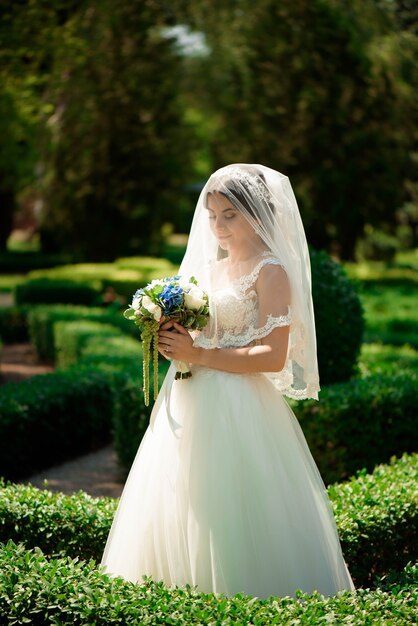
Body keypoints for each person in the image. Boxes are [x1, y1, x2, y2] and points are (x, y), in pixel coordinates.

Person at [100, 164, 355, 599]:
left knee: (236, 511)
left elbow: (273, 356)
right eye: (212, 215)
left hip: (241, 406)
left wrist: (199, 353)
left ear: (256, 214)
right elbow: (203, 337)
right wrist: (174, 340)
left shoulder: (272, 271)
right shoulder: (212, 273)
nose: (217, 226)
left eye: (229, 215)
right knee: (182, 503)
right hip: (189, 400)